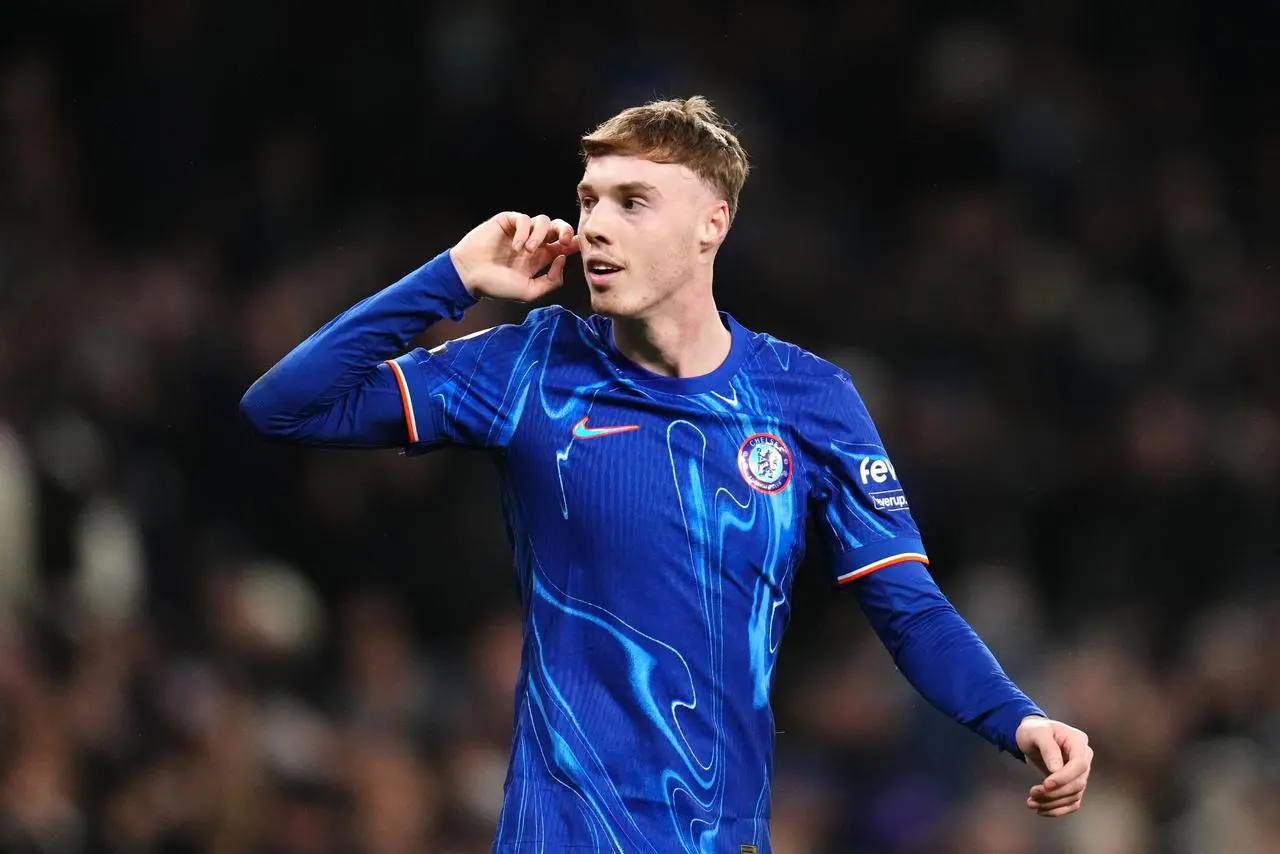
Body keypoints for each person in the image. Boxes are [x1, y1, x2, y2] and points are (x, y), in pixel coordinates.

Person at [240, 96, 1093, 852]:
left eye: (632, 202)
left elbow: (908, 608)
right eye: (588, 200)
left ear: (710, 225)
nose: (596, 226)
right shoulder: (531, 369)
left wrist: (1018, 717)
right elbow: (283, 406)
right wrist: (453, 277)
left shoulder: (807, 399)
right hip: (558, 836)